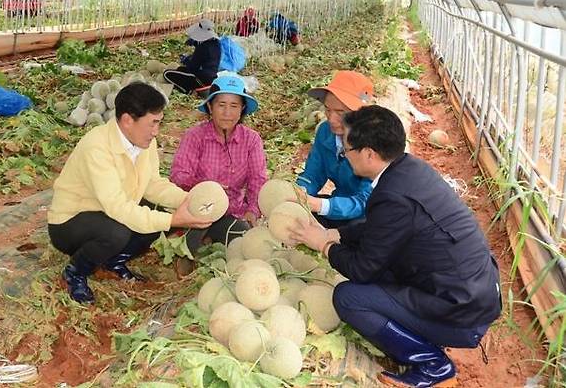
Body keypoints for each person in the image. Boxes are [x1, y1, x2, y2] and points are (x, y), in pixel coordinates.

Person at [290, 105, 502, 387]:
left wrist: (324, 246)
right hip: (473, 293)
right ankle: (425, 338)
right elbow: (380, 230)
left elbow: (362, 269)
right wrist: (338, 235)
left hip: (462, 314)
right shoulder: (408, 170)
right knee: (375, 273)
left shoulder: (391, 196)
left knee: (349, 297)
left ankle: (432, 364)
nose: (344, 153)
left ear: (368, 154)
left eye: (348, 148)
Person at [47, 82, 214, 303]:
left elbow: (153, 184)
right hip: (70, 224)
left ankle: (112, 262)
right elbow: (117, 207)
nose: (156, 132)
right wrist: (173, 219)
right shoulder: (96, 147)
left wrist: (187, 200)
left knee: (157, 213)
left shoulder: (144, 142)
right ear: (127, 120)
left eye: (159, 123)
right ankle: (75, 272)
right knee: (119, 231)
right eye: (152, 124)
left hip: (106, 212)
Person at [170, 75, 267, 251]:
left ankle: (211, 237)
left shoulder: (251, 140)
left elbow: (257, 179)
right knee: (187, 247)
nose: (227, 113)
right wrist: (207, 188)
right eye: (221, 105)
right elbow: (178, 175)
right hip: (198, 209)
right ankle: (194, 241)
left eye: (234, 106)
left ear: (242, 109)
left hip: (232, 211)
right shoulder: (195, 136)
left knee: (243, 240)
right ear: (210, 106)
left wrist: (252, 210)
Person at [296, 71, 374, 229]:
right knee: (299, 216)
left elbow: (365, 201)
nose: (331, 119)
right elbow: (314, 173)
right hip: (339, 205)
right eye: (328, 110)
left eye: (341, 112)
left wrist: (320, 205)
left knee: (357, 233)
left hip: (369, 215)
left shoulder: (375, 142)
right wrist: (300, 192)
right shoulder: (325, 132)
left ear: (361, 114)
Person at [164, 19, 221, 95]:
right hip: (212, 78)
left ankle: (189, 91)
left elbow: (193, 67)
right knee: (180, 69)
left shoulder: (202, 48)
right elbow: (206, 56)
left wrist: (186, 60)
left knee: (167, 73)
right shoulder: (216, 44)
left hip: (201, 79)